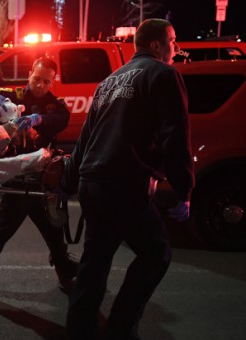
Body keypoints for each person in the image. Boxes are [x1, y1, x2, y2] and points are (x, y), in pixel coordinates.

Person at [62, 19, 194, 339]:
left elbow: (86, 138)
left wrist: (66, 184)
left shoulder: (109, 81)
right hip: (123, 183)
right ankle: (120, 329)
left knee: (95, 261)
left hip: (92, 181)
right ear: (156, 46)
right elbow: (173, 135)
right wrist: (184, 189)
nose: (176, 49)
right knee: (155, 254)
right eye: (173, 42)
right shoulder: (163, 74)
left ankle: (79, 330)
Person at [0, 57, 77, 298]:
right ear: (29, 74)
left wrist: (38, 119)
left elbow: (61, 121)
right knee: (4, 230)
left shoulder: (54, 106)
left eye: (47, 81)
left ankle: (65, 272)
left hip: (43, 179)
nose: (40, 85)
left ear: (53, 81)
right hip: (16, 178)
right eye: (36, 79)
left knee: (53, 229)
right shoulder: (13, 96)